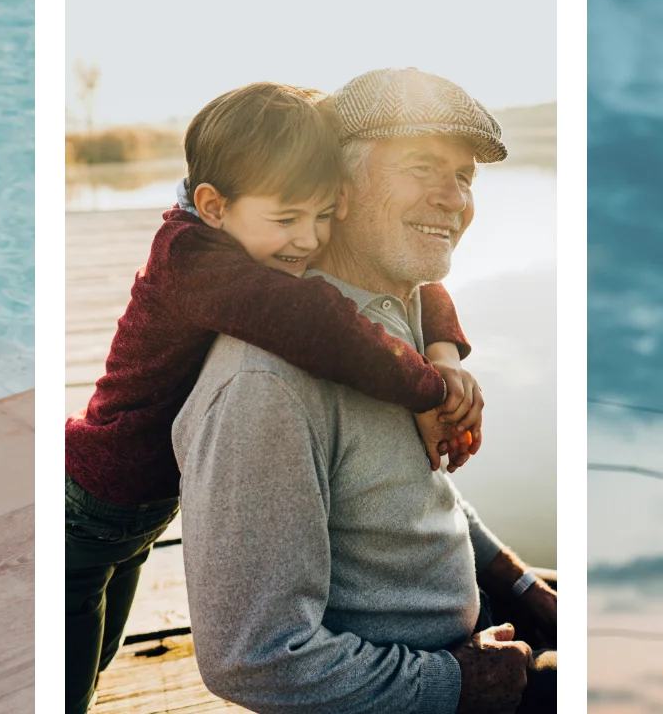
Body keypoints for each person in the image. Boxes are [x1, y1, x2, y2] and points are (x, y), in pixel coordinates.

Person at [62, 81, 487, 713]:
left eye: (321, 215)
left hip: (142, 505)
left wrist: (444, 352)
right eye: (290, 219)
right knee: (65, 668)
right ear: (212, 205)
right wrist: (424, 387)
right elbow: (316, 321)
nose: (309, 240)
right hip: (94, 503)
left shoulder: (250, 228)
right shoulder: (198, 262)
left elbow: (421, 287)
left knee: (94, 650)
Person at [172, 68, 559, 713]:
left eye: (464, 177)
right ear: (340, 190)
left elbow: (403, 488)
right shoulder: (264, 384)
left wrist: (514, 579)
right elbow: (252, 657)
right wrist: (457, 684)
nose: (454, 200)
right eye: (420, 166)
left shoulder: (389, 319)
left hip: (478, 639)